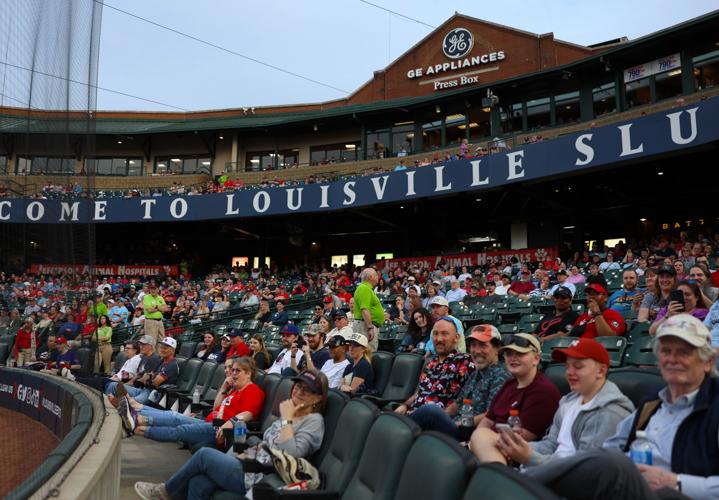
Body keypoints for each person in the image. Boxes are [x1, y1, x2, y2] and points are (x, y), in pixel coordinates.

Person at [524, 314, 719, 500]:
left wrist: (676, 482)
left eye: (684, 352)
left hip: (676, 494)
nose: (673, 359)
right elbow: (611, 448)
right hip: (630, 490)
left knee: (615, 465)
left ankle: (521, 481)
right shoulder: (653, 403)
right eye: (666, 351)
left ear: (708, 362)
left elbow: (612, 463)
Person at [134, 369, 328, 500]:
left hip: (265, 478)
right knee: (198, 482)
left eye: (307, 389)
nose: (299, 391)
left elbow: (291, 455)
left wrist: (286, 419)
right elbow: (268, 443)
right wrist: (245, 451)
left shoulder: (313, 421)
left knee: (204, 455)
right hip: (251, 464)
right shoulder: (291, 410)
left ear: (318, 398)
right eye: (298, 386)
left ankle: (164, 491)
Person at [489, 338, 634, 466]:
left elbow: (586, 470)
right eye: (567, 366)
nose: (569, 372)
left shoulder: (609, 413)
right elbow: (552, 444)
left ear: (601, 371)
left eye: (578, 366)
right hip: (551, 473)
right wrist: (519, 448)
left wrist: (529, 458)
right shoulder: (568, 402)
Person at [119, 357, 265, 446]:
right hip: (210, 422)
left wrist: (230, 423)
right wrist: (223, 388)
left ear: (248, 373)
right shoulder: (234, 390)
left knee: (180, 428)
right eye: (232, 370)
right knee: (174, 416)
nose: (232, 373)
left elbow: (248, 414)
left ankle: (137, 425)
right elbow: (216, 407)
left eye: (237, 371)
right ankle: (137, 414)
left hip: (220, 430)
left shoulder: (253, 390)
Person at [405, 324, 509, 440]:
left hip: (470, 433)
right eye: (473, 346)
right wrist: (441, 418)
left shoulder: (501, 375)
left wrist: (461, 422)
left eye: (483, 345)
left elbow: (491, 415)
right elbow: (456, 405)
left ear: (497, 349)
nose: (477, 351)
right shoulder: (476, 374)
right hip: (455, 426)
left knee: (430, 411)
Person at [470, 334, 561, 461]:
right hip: (486, 446)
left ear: (536, 358)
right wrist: (476, 442)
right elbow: (487, 421)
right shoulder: (509, 384)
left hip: (511, 457)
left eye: (520, 354)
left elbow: (519, 442)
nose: (513, 358)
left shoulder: (544, 391)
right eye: (508, 354)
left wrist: (481, 438)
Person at [114, 337, 179, 405]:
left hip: (155, 395)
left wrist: (147, 378)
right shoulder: (162, 360)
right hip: (145, 390)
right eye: (161, 347)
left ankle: (125, 403)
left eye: (165, 348)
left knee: (129, 403)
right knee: (115, 386)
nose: (161, 350)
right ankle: (124, 401)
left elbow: (154, 383)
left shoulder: (171, 365)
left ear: (172, 350)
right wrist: (148, 377)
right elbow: (151, 375)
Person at [353, 268, 384, 352]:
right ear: (371, 277)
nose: (378, 277)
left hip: (365, 325)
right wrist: (370, 327)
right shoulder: (364, 288)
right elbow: (364, 310)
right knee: (367, 353)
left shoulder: (366, 288)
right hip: (365, 326)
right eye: (376, 275)